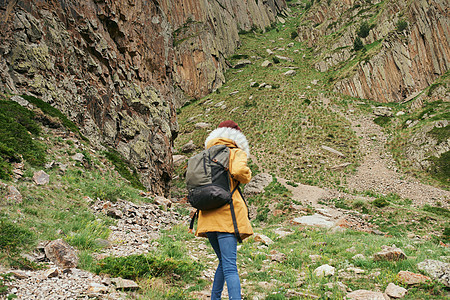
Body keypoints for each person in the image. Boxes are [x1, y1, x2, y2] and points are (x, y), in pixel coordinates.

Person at [195, 120, 253, 300]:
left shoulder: (204, 155)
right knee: (230, 266)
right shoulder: (235, 152)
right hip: (227, 216)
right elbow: (239, 173)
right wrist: (248, 174)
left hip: (206, 216)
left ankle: (215, 298)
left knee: (223, 262)